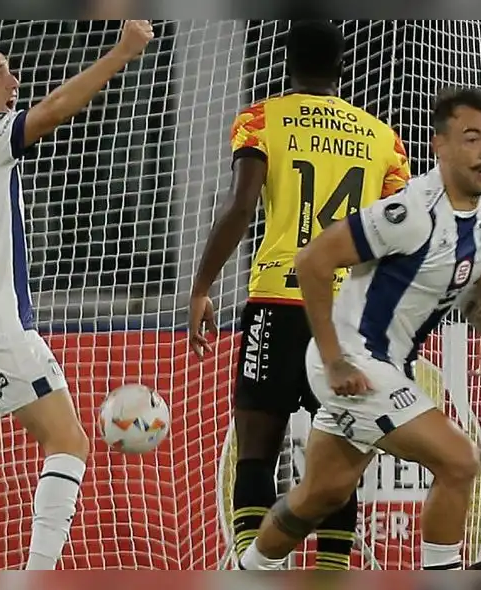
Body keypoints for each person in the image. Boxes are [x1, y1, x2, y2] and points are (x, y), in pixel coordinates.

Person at [235, 86, 481, 570]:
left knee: (321, 494)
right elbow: (314, 259)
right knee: (459, 461)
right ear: (439, 146)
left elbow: (476, 269)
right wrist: (335, 356)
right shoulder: (410, 212)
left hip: (386, 365)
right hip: (355, 360)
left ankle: (249, 570)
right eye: (471, 138)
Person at [187, 20, 411, 570]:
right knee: (339, 456)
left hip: (278, 303)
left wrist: (201, 286)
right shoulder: (382, 138)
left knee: (258, 447)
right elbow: (402, 235)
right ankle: (332, 575)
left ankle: (249, 567)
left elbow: (241, 207)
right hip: (345, 319)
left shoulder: (262, 119)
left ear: (288, 65)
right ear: (342, 68)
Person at [0, 22, 154, 570]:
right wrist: (122, 52)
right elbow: (57, 108)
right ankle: (40, 576)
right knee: (69, 442)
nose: (13, 80)